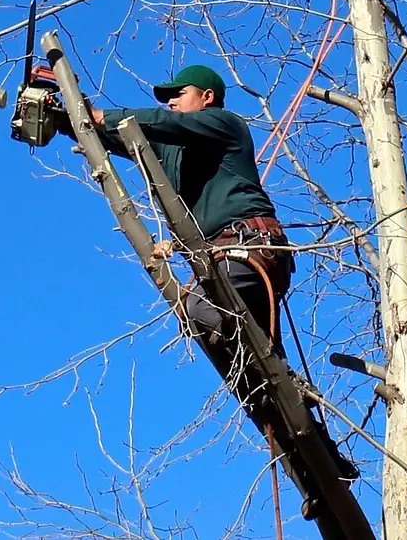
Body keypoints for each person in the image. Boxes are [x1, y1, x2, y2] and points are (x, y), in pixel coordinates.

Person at [55, 64, 294, 358]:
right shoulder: (171, 148)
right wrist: (65, 117)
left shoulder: (224, 124)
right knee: (254, 362)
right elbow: (116, 135)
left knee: (198, 308)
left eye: (179, 94)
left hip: (249, 246)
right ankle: (275, 385)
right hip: (220, 260)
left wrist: (103, 115)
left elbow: (162, 122)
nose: (171, 102)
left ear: (207, 97)